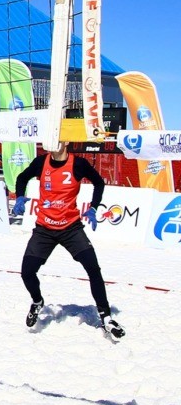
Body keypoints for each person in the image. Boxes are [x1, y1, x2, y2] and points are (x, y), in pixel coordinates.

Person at [13, 142, 125, 340]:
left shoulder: (78, 164)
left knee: (93, 268)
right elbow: (22, 177)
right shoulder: (41, 162)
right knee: (27, 272)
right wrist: (20, 197)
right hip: (44, 230)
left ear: (64, 143)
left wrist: (93, 207)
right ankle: (38, 302)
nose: (51, 145)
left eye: (56, 140)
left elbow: (99, 182)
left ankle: (106, 317)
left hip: (71, 228)